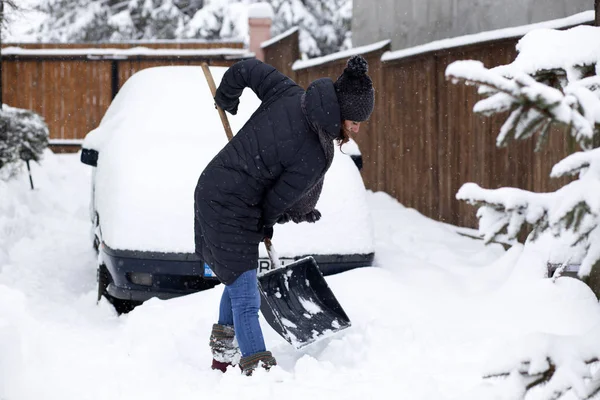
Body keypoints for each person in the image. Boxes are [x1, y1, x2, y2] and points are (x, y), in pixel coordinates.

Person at [194, 54, 375, 375]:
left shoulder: (290, 92)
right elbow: (278, 200)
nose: (357, 129)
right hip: (231, 206)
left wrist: (228, 95)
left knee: (237, 278)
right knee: (247, 297)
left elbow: (248, 69)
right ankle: (259, 378)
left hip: (214, 185)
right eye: (355, 121)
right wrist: (267, 223)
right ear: (342, 113)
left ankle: (221, 362)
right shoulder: (318, 153)